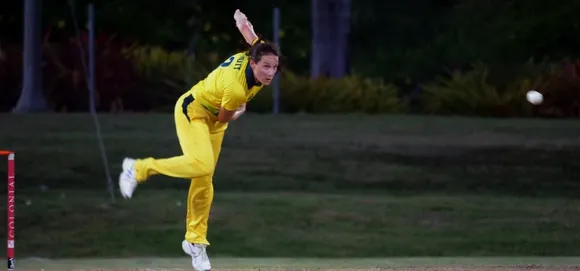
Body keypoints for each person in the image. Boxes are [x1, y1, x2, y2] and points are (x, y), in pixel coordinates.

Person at [118, 9, 280, 271]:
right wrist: (240, 111)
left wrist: (240, 20)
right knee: (202, 166)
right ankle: (138, 168)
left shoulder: (258, 51)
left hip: (214, 120)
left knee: (204, 180)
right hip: (193, 110)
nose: (271, 73)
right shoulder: (236, 89)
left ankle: (195, 242)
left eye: (274, 67)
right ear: (253, 63)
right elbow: (226, 117)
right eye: (266, 67)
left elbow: (249, 33)